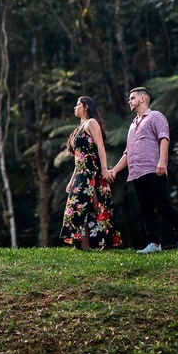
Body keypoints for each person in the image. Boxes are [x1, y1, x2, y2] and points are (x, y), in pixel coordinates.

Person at [107, 87, 178, 254]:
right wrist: (115, 170)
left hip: (154, 169)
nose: (129, 101)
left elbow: (164, 138)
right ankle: (153, 243)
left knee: (162, 204)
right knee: (145, 208)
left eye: (132, 98)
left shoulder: (155, 116)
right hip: (136, 172)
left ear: (143, 99)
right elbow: (128, 152)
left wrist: (162, 162)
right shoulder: (132, 125)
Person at [60, 96, 123, 250]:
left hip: (91, 172)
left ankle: (106, 242)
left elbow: (100, 146)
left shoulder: (91, 123)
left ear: (86, 107)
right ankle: (82, 246)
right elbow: (78, 158)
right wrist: (71, 179)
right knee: (79, 207)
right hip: (80, 173)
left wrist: (104, 169)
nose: (74, 108)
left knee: (96, 205)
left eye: (77, 105)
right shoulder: (78, 129)